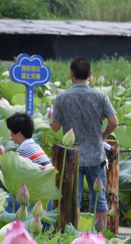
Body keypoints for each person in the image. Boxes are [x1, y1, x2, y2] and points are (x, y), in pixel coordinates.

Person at [50, 57, 118, 226]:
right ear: (90, 74)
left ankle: (74, 236)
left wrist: (52, 116)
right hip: (96, 155)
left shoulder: (61, 97)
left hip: (73, 157)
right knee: (99, 201)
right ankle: (99, 237)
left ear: (71, 74)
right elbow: (114, 122)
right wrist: (103, 134)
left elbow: (56, 127)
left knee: (74, 200)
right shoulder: (100, 96)